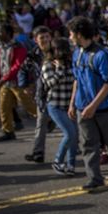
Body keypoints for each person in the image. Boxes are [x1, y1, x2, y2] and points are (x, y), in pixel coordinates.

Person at [68, 16, 108, 190]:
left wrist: (93, 106)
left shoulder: (102, 55)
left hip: (104, 108)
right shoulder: (77, 54)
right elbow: (76, 80)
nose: (70, 37)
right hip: (83, 107)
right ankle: (95, 178)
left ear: (79, 34)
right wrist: (73, 103)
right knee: (88, 144)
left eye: (72, 33)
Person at [0, 23, 37, 142]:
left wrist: (2, 79)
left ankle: (48, 120)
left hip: (17, 82)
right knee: (4, 107)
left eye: (0, 32)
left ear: (8, 34)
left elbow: (16, 66)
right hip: (5, 83)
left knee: (28, 105)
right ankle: (8, 131)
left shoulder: (18, 47)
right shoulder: (1, 47)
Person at [42, 38, 78, 176]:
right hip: (55, 105)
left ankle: (71, 165)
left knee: (75, 136)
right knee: (70, 134)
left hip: (70, 106)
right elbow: (50, 84)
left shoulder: (71, 64)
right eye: (57, 49)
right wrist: (60, 68)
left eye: (63, 49)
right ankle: (58, 161)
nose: (60, 53)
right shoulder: (48, 65)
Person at [24, 26, 53, 163]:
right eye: (42, 38)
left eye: (48, 37)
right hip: (42, 94)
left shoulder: (58, 51)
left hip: (59, 93)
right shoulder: (32, 55)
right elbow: (23, 70)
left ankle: (76, 146)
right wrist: (25, 85)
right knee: (40, 123)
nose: (46, 40)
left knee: (70, 123)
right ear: (36, 40)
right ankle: (38, 153)